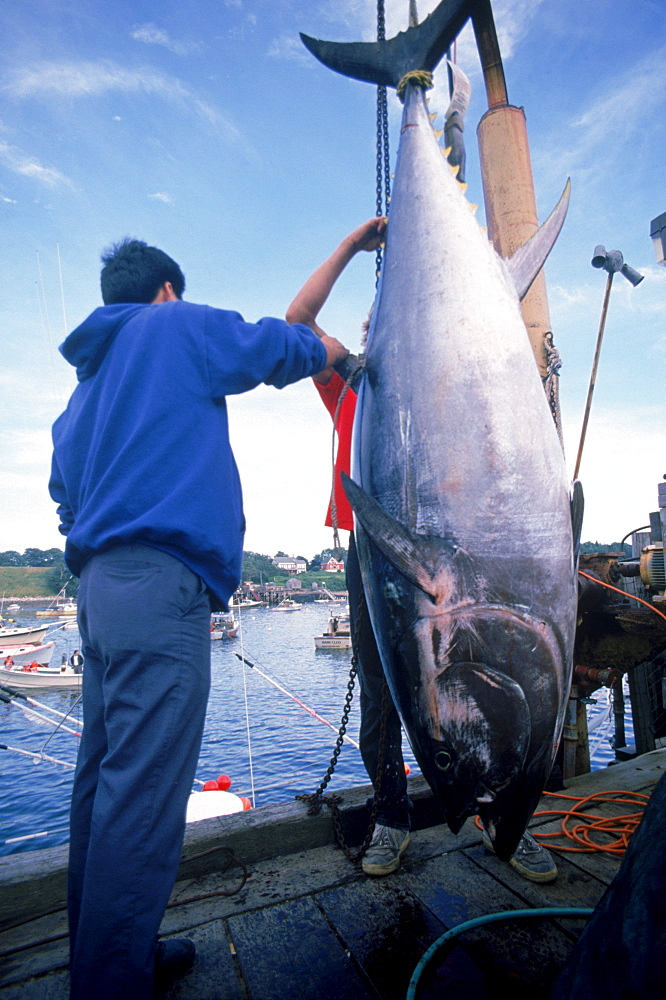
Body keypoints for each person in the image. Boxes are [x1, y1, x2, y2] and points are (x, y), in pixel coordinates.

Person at [49, 236, 348, 1000]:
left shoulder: (82, 395)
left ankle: (110, 958)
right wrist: (328, 349)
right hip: (160, 590)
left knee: (102, 787)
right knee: (144, 798)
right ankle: (112, 985)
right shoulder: (174, 326)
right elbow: (272, 347)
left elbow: (64, 497)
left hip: (99, 594)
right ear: (168, 292)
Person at [286, 219, 559, 884]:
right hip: (381, 558)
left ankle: (509, 817)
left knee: (513, 682)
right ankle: (391, 816)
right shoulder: (353, 378)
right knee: (385, 692)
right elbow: (296, 319)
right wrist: (352, 245)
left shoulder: (457, 368)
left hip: (476, 550)